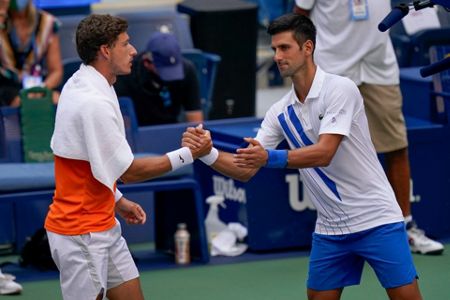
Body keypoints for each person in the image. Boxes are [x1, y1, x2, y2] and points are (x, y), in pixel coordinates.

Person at [183, 13, 422, 300]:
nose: (277, 56)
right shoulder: (279, 112)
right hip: (331, 230)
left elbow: (324, 153)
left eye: (285, 48)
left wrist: (268, 158)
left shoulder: (340, 89)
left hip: (377, 220)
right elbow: (244, 169)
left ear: (307, 48)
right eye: (274, 49)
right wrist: (206, 152)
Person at [44, 14, 210, 300]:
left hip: (103, 224)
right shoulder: (92, 102)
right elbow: (130, 170)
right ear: (105, 51)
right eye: (125, 43)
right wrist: (189, 155)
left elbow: (91, 161)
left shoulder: (88, 81)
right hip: (81, 233)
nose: (133, 50)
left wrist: (117, 199)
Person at [293, 0, 444, 255]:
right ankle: (335, 232)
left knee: (396, 147)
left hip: (378, 69)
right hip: (332, 71)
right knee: (328, 153)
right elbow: (299, 18)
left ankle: (405, 228)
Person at [115, 32, 203, 126]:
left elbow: (194, 115)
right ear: (147, 63)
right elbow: (124, 121)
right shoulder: (127, 72)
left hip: (171, 126)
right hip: (138, 129)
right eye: (164, 68)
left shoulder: (187, 70)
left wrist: (197, 137)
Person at [0, 0, 63, 107]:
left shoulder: (47, 22)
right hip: (6, 87)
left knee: (57, 99)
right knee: (19, 102)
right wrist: (2, 11)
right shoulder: (2, 20)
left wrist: (40, 91)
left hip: (37, 84)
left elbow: (56, 71)